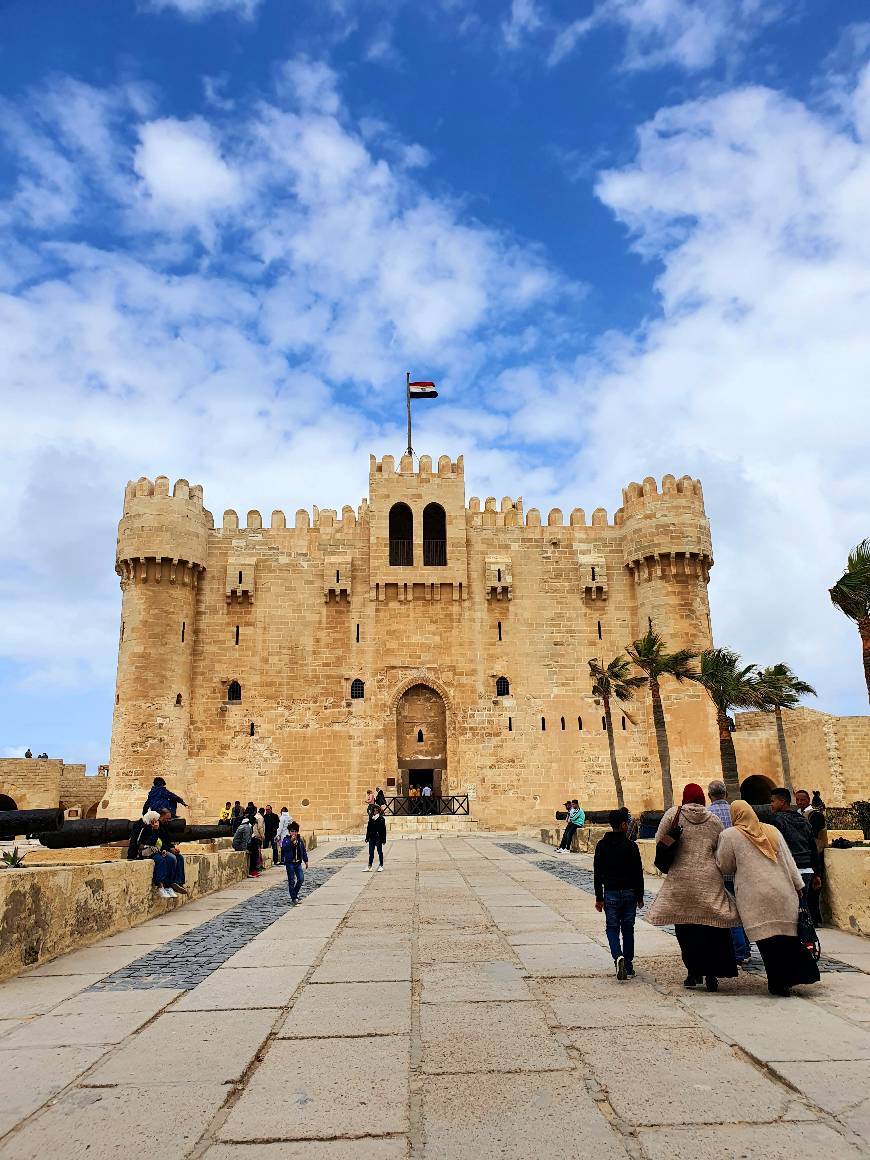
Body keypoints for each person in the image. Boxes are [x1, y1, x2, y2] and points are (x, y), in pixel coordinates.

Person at [716, 801, 821, 997]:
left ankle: (778, 983)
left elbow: (725, 865)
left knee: (768, 944)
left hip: (756, 896)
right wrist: (798, 886)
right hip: (784, 892)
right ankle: (792, 977)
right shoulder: (771, 831)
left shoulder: (730, 835)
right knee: (787, 939)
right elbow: (789, 861)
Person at [646, 783, 739, 992]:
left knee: (686, 928)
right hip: (709, 879)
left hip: (681, 878)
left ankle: (693, 973)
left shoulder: (673, 815)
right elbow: (721, 849)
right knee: (712, 926)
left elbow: (659, 840)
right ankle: (712, 973)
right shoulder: (713, 820)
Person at [594, 807, 645, 980]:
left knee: (612, 928)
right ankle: (628, 965)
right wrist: (640, 896)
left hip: (611, 893)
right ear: (623, 825)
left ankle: (618, 956)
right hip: (630, 893)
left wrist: (599, 898)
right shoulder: (631, 846)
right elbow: (638, 872)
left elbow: (597, 874)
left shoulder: (602, 845)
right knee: (628, 929)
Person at [707, 779, 752, 964]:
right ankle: (746, 949)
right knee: (743, 912)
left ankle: (739, 951)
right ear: (726, 794)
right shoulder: (738, 812)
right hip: (741, 870)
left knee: (729, 913)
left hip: (720, 871)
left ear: (709, 796)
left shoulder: (707, 814)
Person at [769, 788, 823, 927]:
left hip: (789, 870)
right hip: (807, 870)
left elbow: (776, 848)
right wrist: (816, 873)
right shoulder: (803, 820)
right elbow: (812, 848)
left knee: (790, 911)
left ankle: (797, 941)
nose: (771, 805)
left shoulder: (776, 821)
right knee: (804, 908)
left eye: (773, 801)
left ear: (782, 802)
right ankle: (809, 939)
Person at [128, 810, 178, 899]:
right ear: (152, 820)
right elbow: (149, 842)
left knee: (171, 859)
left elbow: (158, 842)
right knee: (160, 860)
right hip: (144, 852)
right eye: (156, 820)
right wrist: (155, 830)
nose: (158, 822)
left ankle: (168, 886)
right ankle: (160, 886)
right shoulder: (144, 828)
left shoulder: (154, 828)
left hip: (154, 850)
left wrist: (163, 850)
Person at [157, 808, 188, 894]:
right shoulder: (157, 826)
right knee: (172, 858)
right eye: (167, 818)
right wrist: (169, 849)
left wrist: (173, 848)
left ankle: (178, 882)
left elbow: (167, 840)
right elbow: (158, 842)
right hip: (160, 850)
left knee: (180, 858)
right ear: (161, 816)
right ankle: (170, 882)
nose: (169, 820)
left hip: (167, 848)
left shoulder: (165, 827)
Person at [281, 821, 309, 904]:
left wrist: (306, 860)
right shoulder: (286, 840)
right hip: (290, 863)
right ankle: (294, 898)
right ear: (289, 832)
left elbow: (303, 851)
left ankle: (294, 894)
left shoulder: (299, 840)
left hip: (297, 863)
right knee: (291, 881)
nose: (294, 833)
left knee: (301, 879)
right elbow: (284, 848)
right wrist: (291, 841)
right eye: (292, 831)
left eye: (295, 831)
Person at [365, 799, 387, 872]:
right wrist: (367, 837)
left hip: (378, 838)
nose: (374, 812)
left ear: (378, 811)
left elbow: (383, 830)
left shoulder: (381, 819)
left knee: (379, 851)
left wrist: (384, 840)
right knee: (371, 852)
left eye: (376, 810)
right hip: (372, 837)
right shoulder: (371, 819)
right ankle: (369, 866)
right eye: (373, 810)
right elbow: (368, 829)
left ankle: (381, 865)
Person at [250, 807, 266, 875]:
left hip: (254, 835)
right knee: (258, 851)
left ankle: (258, 866)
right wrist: (262, 836)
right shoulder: (260, 818)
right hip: (258, 836)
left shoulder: (256, 816)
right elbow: (260, 827)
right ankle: (258, 866)